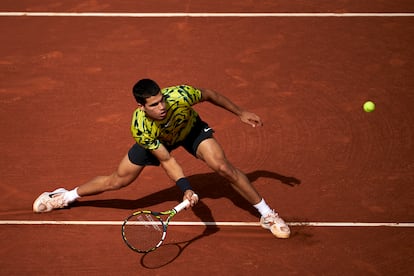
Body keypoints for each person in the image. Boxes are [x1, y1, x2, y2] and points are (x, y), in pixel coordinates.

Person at [33, 78, 290, 238]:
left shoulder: (180, 95)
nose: (162, 107)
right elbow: (167, 161)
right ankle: (66, 196)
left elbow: (210, 94)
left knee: (223, 167)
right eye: (154, 105)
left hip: (190, 131)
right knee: (118, 181)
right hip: (160, 142)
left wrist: (240, 111)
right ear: (141, 107)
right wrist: (186, 189)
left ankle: (267, 215)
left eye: (161, 100)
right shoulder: (141, 128)